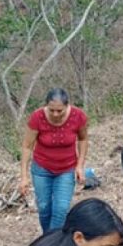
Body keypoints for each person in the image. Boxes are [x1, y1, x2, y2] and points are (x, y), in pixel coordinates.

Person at [18, 88, 89, 232]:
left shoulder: (78, 116)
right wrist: (24, 177)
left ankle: (52, 242)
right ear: (46, 106)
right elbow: (27, 146)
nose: (55, 114)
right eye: (51, 110)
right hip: (41, 169)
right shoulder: (37, 117)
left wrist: (80, 166)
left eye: (59, 111)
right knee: (44, 208)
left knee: (61, 209)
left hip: (67, 168)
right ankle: (47, 237)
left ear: (67, 106)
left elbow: (83, 139)